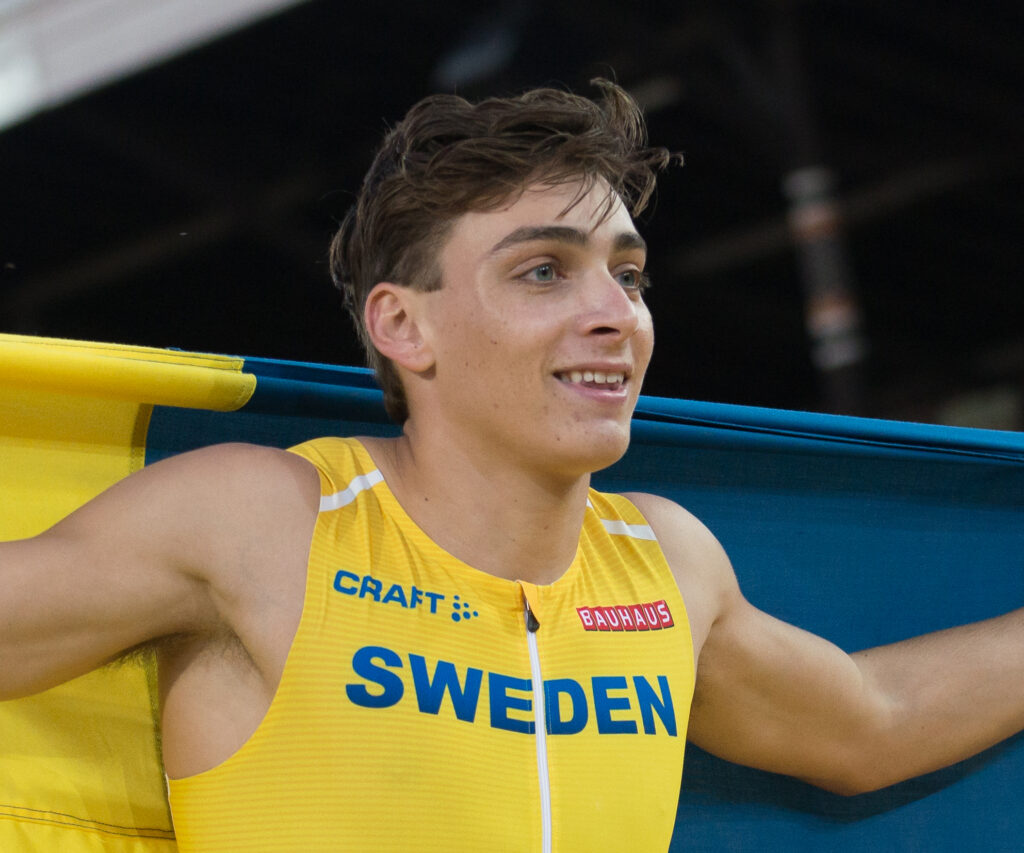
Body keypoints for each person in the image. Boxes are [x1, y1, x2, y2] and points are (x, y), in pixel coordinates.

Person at [2, 79, 1023, 852]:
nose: (613, 315)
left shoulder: (665, 563)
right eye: (544, 271)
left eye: (627, 275)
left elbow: (870, 724)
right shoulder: (260, 521)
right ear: (403, 324)